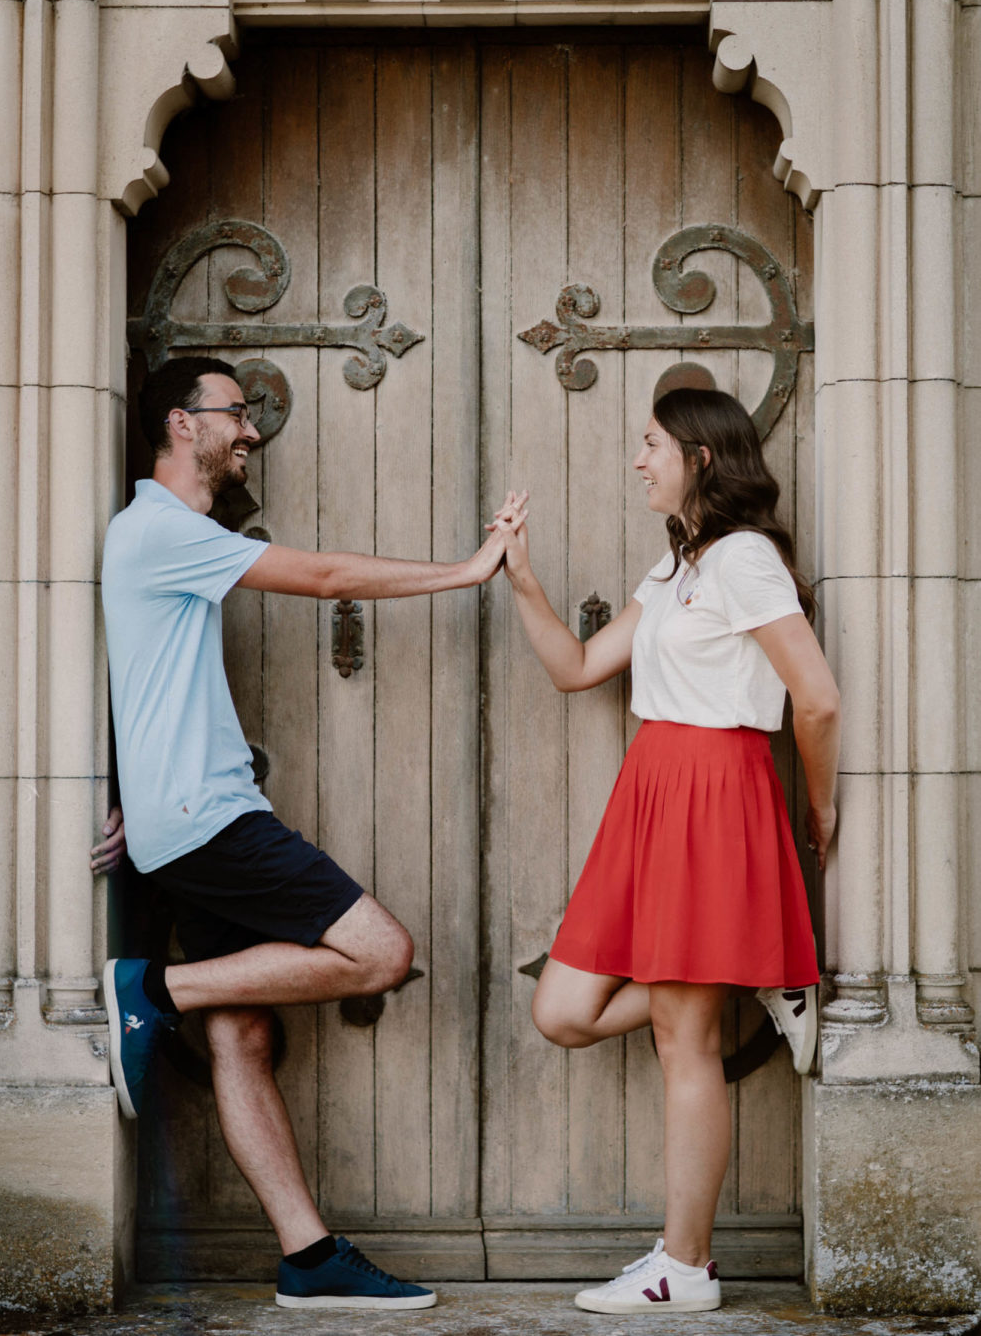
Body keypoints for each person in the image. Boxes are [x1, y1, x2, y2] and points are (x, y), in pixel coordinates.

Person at [91, 354, 526, 1312]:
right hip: (210, 824)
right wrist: (466, 569)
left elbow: (138, 679)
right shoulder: (159, 529)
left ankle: (309, 1257)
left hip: (185, 819)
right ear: (179, 423)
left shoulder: (164, 536)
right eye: (233, 413)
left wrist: (132, 786)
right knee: (379, 952)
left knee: (241, 1032)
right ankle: (146, 991)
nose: (249, 431)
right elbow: (325, 574)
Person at [489, 387, 839, 1316]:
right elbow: (575, 670)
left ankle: (682, 1268)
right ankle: (764, 971)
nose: (637, 461)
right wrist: (520, 575)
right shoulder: (679, 567)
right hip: (651, 791)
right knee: (561, 1009)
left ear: (701, 456)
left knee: (682, 1043)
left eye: (650, 445)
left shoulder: (745, 561)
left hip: (714, 791)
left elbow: (817, 697)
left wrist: (819, 804)